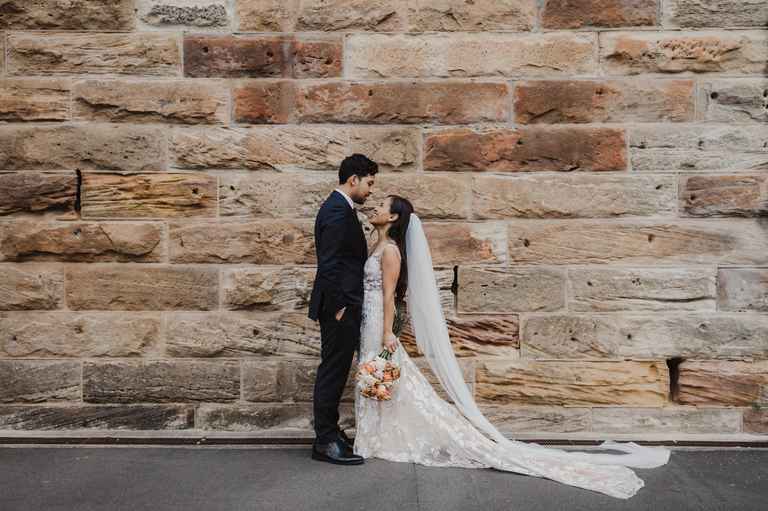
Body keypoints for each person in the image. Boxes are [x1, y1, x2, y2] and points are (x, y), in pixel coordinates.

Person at [352, 194, 672, 499]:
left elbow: (389, 297)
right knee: (381, 379)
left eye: (382, 205)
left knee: (386, 378)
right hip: (369, 319)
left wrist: (386, 334)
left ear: (393, 217)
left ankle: (381, 437)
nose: (376, 207)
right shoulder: (377, 245)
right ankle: (378, 436)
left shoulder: (391, 251)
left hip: (378, 322)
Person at [308, 154, 377, 465]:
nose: (371, 190)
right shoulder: (337, 211)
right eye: (369, 183)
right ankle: (325, 440)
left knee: (335, 370)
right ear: (354, 180)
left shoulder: (341, 208)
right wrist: (338, 308)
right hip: (339, 307)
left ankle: (331, 432)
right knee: (332, 371)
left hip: (344, 305)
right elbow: (331, 264)